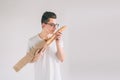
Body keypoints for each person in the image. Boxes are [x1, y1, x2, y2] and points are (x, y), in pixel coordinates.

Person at [27, 11, 65, 80]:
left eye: (56, 25)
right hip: (40, 77)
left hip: (56, 77)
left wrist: (58, 43)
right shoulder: (32, 41)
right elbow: (29, 60)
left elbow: (62, 59)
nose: (55, 27)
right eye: (52, 25)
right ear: (43, 25)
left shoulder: (58, 39)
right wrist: (36, 57)